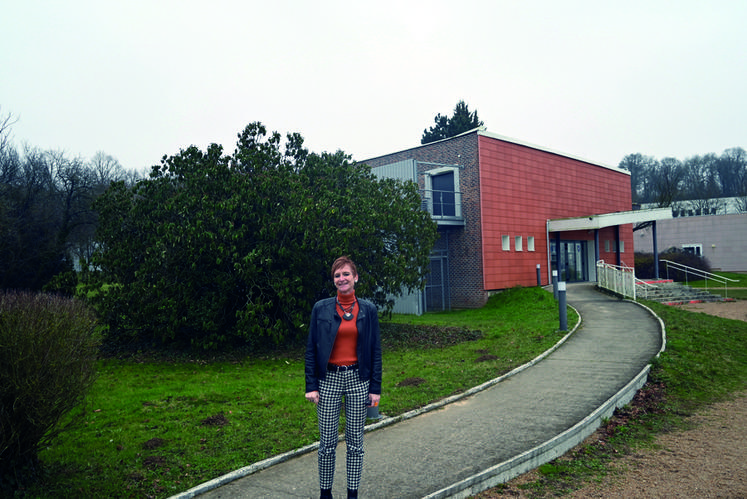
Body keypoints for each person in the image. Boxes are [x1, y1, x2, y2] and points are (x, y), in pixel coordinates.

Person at [305, 256, 382, 499]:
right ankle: (325, 494)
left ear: (355, 277)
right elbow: (311, 349)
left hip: (358, 380)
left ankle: (352, 494)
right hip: (328, 380)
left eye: (346, 274)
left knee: (355, 444)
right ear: (334, 280)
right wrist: (311, 385)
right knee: (327, 444)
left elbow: (375, 350)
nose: (342, 279)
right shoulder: (321, 308)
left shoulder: (368, 310)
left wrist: (375, 388)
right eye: (337, 275)